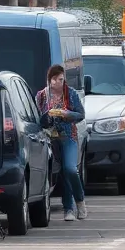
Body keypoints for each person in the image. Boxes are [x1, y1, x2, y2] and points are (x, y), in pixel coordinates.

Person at [36, 64, 87, 221]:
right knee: (59, 173)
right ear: (50, 80)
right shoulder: (42, 95)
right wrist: (47, 116)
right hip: (50, 138)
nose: (61, 82)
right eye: (58, 79)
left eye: (62, 79)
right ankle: (68, 208)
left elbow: (81, 114)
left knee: (70, 169)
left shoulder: (70, 94)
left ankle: (79, 202)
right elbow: (38, 117)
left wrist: (67, 114)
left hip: (68, 136)